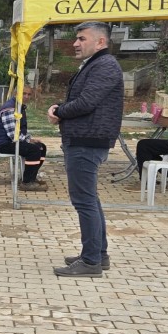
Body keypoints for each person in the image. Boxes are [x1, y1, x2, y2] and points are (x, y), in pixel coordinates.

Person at [48, 21, 123, 277]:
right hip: (85, 139)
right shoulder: (97, 64)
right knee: (90, 199)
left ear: (100, 42)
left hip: (87, 141)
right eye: (76, 38)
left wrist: (59, 111)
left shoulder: (105, 65)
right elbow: (82, 99)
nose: (75, 43)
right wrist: (61, 106)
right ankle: (98, 255)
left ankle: (91, 261)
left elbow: (86, 103)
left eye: (82, 39)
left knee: (84, 201)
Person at [0, 91, 48, 190]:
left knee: (41, 147)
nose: (26, 96)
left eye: (29, 94)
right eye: (23, 93)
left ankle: (31, 178)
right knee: (34, 150)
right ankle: (27, 183)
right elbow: (13, 134)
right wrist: (28, 140)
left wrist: (29, 139)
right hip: (4, 144)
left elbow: (19, 130)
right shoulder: (9, 108)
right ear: (16, 94)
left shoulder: (19, 106)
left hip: (10, 141)